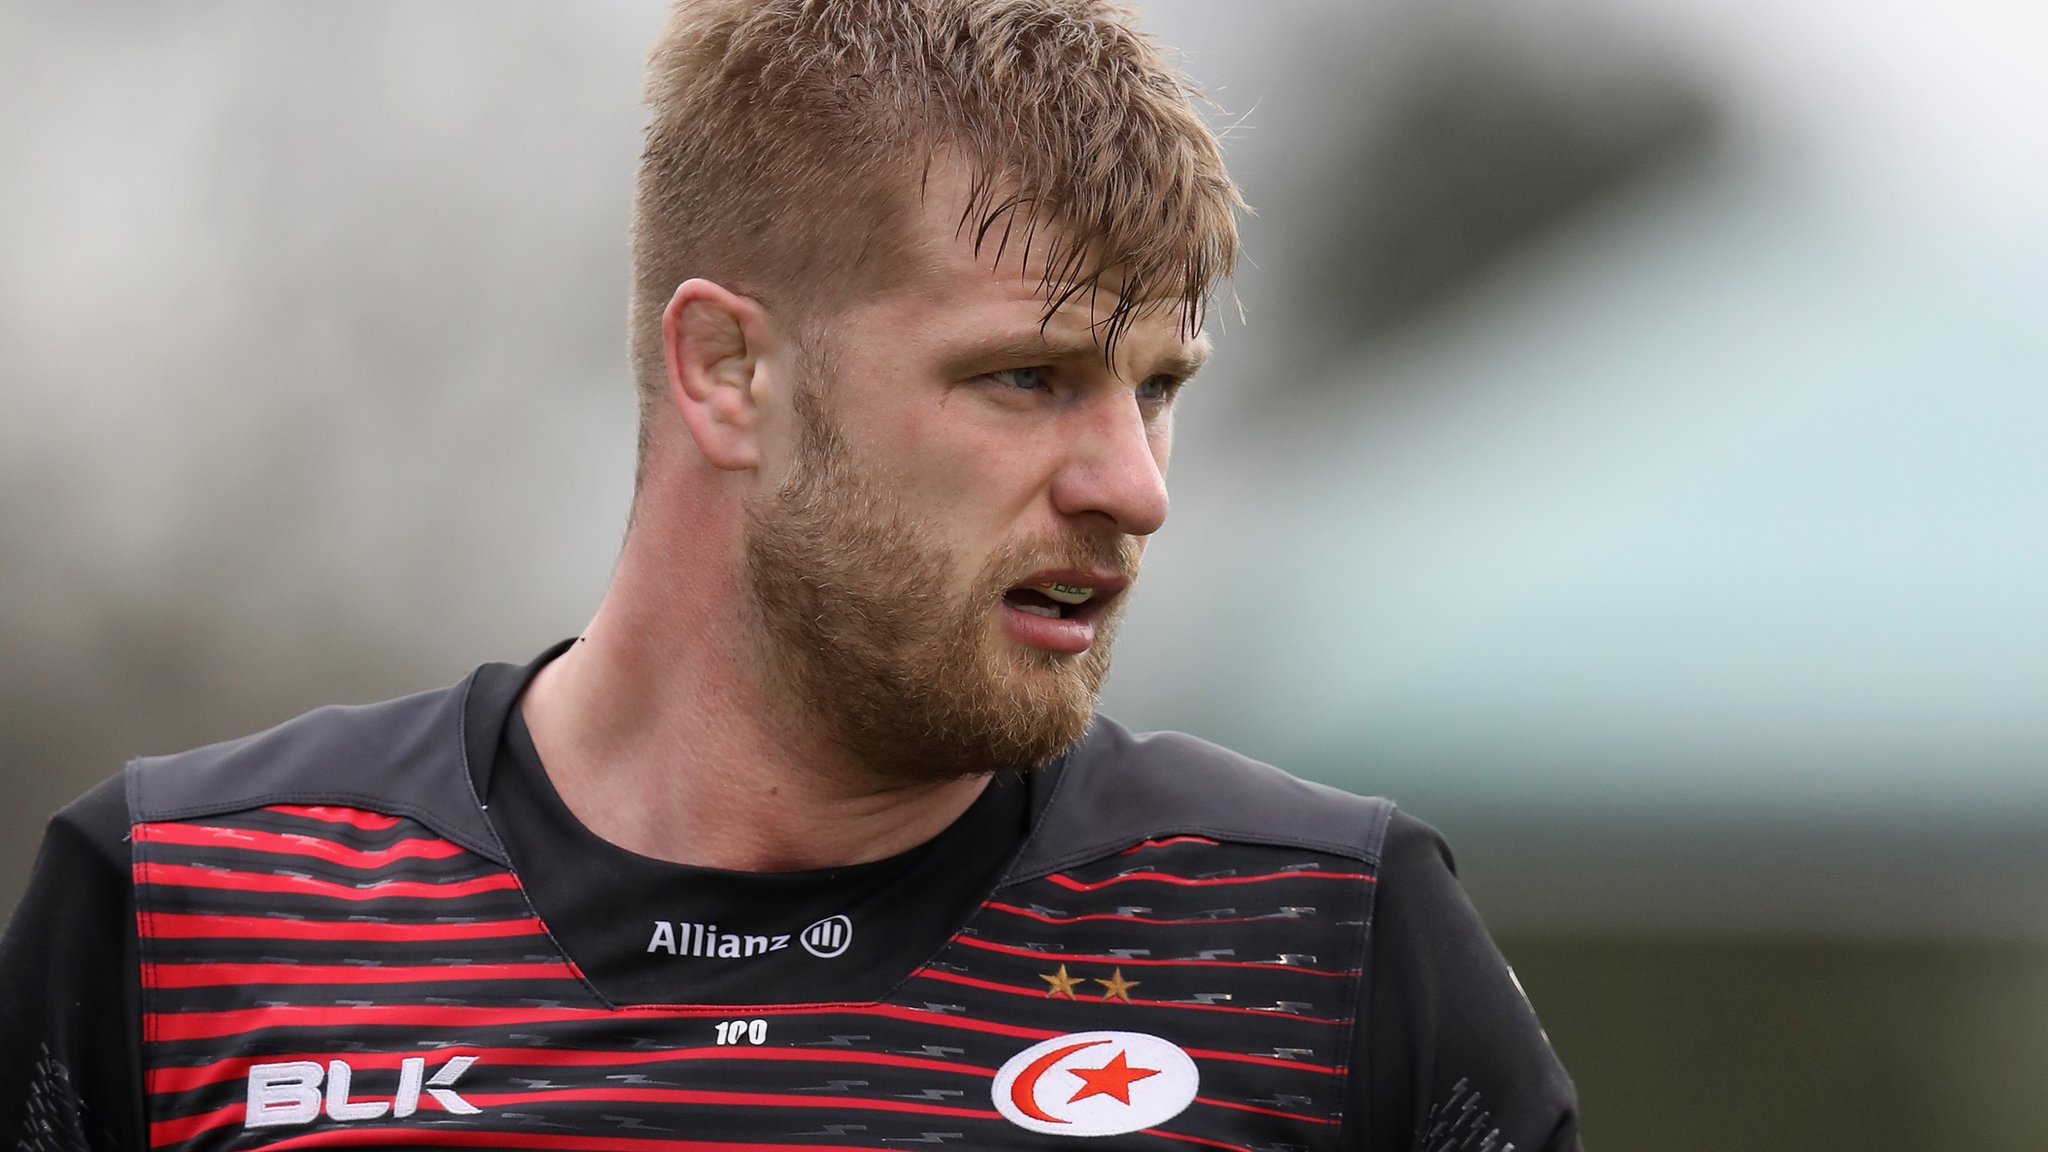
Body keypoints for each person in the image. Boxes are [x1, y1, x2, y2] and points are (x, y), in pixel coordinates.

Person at [0, 1, 1581, 1149]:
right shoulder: (183, 912)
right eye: (1026, 379)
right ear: (727, 372)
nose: (1135, 487)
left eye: (1155, 386)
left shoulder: (1317, 941)